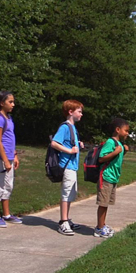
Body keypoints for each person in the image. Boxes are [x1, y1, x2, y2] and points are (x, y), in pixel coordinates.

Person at [50, 100, 84, 236]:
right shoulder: (65, 127)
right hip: (67, 166)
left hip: (72, 167)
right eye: (79, 111)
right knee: (66, 193)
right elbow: (54, 143)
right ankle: (63, 221)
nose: (81, 114)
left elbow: (69, 142)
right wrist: (69, 151)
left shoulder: (73, 128)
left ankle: (67, 219)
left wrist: (78, 144)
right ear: (70, 112)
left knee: (71, 193)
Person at [0, 91, 21, 228]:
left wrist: (14, 155)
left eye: (13, 101)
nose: (13, 104)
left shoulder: (8, 118)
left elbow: (10, 139)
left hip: (9, 157)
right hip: (0, 158)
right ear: (2, 103)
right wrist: (6, 161)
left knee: (8, 185)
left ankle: (6, 214)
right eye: (10, 102)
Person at [94, 118, 129, 238]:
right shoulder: (110, 142)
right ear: (118, 130)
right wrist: (116, 152)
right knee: (103, 204)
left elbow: (116, 158)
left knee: (107, 203)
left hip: (113, 177)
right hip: (106, 177)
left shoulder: (119, 144)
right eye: (126, 131)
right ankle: (99, 228)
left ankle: (102, 225)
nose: (127, 133)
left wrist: (123, 151)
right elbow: (101, 158)